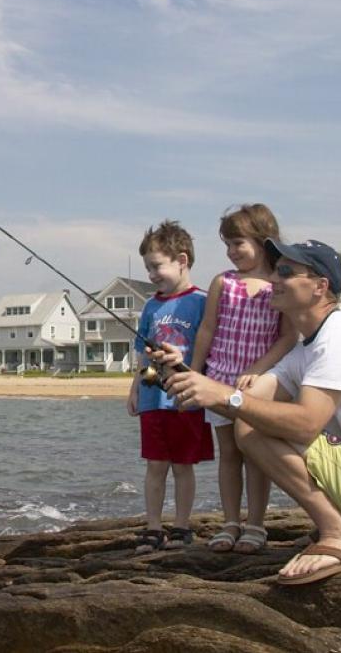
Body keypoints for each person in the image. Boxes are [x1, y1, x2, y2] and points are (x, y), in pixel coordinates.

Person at [150, 238, 341, 585]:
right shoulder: (304, 348)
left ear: (319, 287)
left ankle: (340, 534)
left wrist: (224, 397)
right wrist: (190, 376)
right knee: (251, 423)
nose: (273, 280)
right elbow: (251, 397)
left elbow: (304, 425)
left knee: (253, 431)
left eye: (285, 271)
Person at [189, 204, 296, 554]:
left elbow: (286, 337)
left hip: (259, 385)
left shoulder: (279, 283)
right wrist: (195, 371)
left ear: (263, 241)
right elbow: (207, 329)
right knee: (229, 453)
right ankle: (230, 521)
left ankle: (256, 524)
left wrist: (259, 369)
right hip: (219, 379)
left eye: (238, 243)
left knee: (255, 452)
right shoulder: (224, 282)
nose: (232, 252)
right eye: (228, 245)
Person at [127, 220, 212, 554]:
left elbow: (209, 349)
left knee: (182, 466)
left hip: (187, 397)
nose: (152, 274)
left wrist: (184, 356)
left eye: (157, 266)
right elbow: (142, 355)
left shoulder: (203, 301)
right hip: (153, 396)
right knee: (155, 465)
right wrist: (135, 388)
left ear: (182, 260)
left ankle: (181, 526)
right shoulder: (151, 306)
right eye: (148, 268)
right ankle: (152, 526)